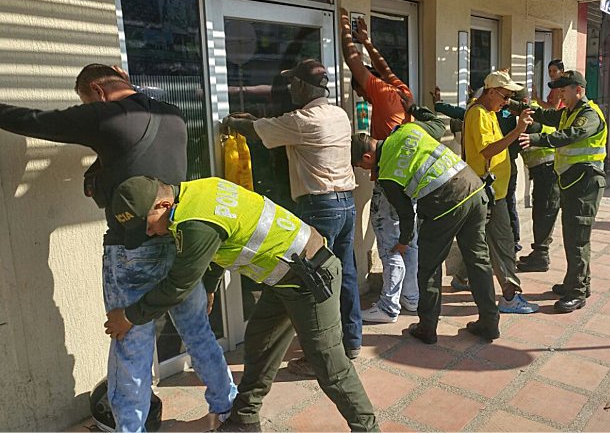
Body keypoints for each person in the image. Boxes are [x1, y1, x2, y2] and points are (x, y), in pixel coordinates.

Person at [0, 64, 237, 431]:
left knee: (131, 347)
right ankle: (229, 411)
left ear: (97, 91)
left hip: (130, 254)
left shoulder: (105, 117)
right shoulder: (173, 116)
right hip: (177, 244)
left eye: (87, 101)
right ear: (121, 76)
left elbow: (36, 120)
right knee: (199, 334)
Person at [104, 176, 378, 432]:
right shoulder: (197, 194)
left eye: (149, 224)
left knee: (330, 366)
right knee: (261, 343)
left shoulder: (194, 223)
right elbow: (217, 245)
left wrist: (128, 317)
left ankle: (368, 428)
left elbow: (177, 286)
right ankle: (244, 420)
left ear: (163, 205)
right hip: (284, 277)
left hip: (311, 279)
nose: (150, 233)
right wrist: (210, 288)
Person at [223, 59, 362, 377]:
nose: (289, 90)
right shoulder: (338, 115)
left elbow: (258, 131)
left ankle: (322, 358)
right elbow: (272, 126)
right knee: (345, 274)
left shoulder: (302, 121)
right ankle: (351, 342)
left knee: (312, 283)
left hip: (320, 207)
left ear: (301, 86)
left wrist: (232, 121)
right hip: (345, 205)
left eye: (292, 84)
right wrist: (256, 121)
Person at [351, 119, 502, 344]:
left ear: (367, 157)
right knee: (478, 261)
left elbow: (405, 215)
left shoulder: (388, 174)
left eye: (361, 167)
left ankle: (427, 328)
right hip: (474, 188)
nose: (365, 171)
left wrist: (403, 242)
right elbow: (438, 126)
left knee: (428, 267)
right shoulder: (407, 129)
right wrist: (417, 109)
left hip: (447, 203)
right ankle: (490, 323)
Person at [340, 9, 420, 325]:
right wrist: (368, 42)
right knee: (408, 240)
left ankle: (388, 306)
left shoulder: (382, 94)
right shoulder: (401, 91)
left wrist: (344, 28)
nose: (362, 96)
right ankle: (411, 298)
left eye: (361, 92)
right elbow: (385, 68)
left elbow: (354, 64)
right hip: (411, 180)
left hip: (390, 181)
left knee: (389, 243)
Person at [519, 70, 607, 313]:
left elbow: (571, 135)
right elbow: (547, 116)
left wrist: (537, 139)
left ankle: (577, 292)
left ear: (578, 90)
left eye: (564, 91)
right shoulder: (570, 112)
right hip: (574, 182)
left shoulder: (588, 115)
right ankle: (577, 283)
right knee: (573, 236)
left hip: (586, 184)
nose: (560, 95)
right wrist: (518, 106)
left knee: (577, 239)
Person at [462, 71, 537, 314]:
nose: (507, 102)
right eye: (504, 97)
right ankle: (509, 296)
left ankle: (462, 277)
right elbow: (487, 151)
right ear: (491, 92)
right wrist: (517, 131)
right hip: (490, 193)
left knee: (481, 242)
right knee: (503, 244)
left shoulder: (489, 111)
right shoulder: (478, 114)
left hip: (496, 191)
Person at [517, 97, 561, 273]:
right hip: (545, 169)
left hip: (548, 170)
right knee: (542, 210)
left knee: (545, 212)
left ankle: (541, 255)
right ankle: (539, 252)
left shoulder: (529, 116)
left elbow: (519, 136)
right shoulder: (534, 109)